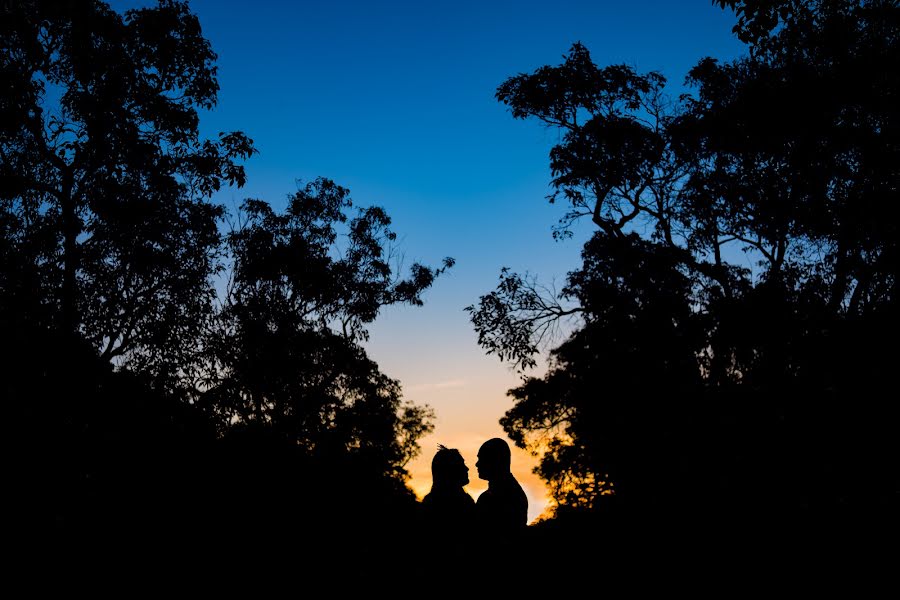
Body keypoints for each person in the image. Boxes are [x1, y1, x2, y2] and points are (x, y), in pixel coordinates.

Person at [475, 437, 528, 542]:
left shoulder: (502, 497)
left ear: (495, 461)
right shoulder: (512, 491)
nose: (477, 464)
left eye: (481, 458)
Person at [421, 445, 475, 545]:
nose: (467, 468)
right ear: (450, 470)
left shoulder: (429, 502)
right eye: (461, 464)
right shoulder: (463, 504)